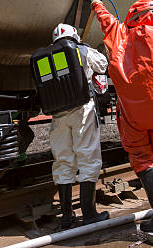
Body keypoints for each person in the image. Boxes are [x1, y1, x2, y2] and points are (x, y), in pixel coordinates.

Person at [89, 0, 153, 233]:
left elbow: (107, 22)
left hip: (135, 116)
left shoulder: (123, 36)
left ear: (134, 16)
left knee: (142, 158)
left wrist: (96, 2)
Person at [48, 23, 109, 229]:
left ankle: (67, 216)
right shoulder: (82, 49)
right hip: (83, 111)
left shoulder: (46, 55)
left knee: (63, 160)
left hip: (58, 116)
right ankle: (89, 213)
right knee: (88, 157)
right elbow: (102, 64)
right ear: (75, 35)